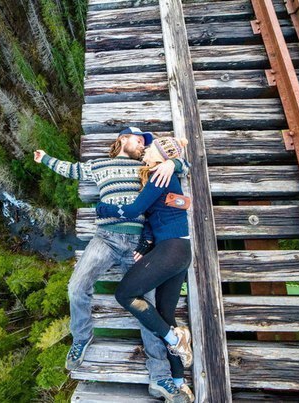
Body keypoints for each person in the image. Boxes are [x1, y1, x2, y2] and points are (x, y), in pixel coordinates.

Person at [34, 127, 190, 402]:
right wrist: (44, 158)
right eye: (138, 140)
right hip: (105, 238)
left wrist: (172, 161)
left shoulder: (147, 168)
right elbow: (70, 169)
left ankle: (160, 377)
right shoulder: (99, 164)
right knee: (76, 285)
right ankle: (81, 338)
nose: (142, 145)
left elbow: (183, 165)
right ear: (122, 139)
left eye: (145, 143)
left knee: (147, 306)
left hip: (139, 245)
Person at [95, 137, 194, 402]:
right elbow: (154, 215)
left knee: (124, 294)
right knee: (164, 314)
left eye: (149, 148)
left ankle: (173, 339)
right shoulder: (162, 173)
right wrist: (145, 242)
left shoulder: (158, 175)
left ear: (160, 155)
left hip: (171, 250)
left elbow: (133, 210)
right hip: (179, 251)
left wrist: (103, 208)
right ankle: (178, 381)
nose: (145, 151)